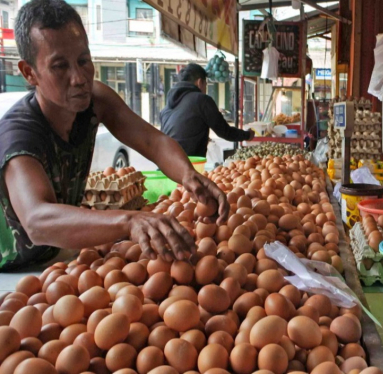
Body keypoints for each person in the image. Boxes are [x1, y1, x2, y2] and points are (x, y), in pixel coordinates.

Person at [0, 0, 229, 270]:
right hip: (10, 267)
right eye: (60, 66)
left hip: (51, 256)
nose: (79, 77)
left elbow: (151, 141)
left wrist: (189, 176)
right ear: (29, 73)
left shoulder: (94, 101)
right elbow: (37, 220)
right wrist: (128, 221)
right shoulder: (20, 135)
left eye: (83, 60)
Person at [160, 63, 254, 157]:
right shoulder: (202, 100)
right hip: (187, 164)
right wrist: (247, 135)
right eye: (206, 84)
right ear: (200, 82)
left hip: (165, 164)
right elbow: (225, 132)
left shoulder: (167, 106)